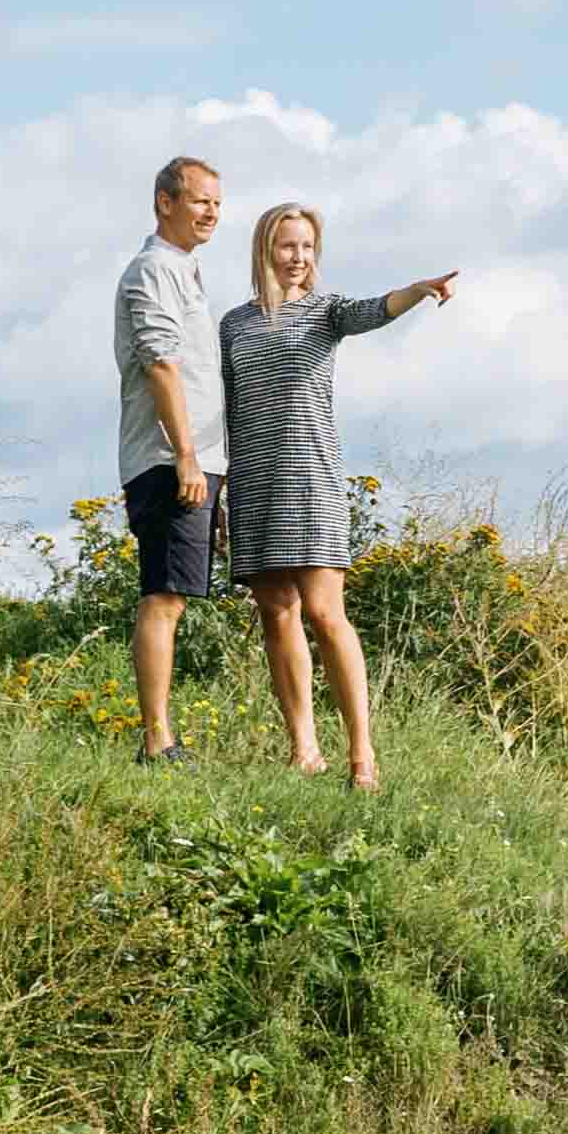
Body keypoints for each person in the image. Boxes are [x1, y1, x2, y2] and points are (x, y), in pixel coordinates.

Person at [216, 202, 455, 788]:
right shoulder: (233, 326)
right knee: (276, 613)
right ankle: (303, 748)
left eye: (307, 248)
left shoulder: (327, 313)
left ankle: (362, 755)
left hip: (312, 478)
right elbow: (224, 411)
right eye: (287, 246)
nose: (297, 258)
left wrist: (417, 291)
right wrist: (219, 490)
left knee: (325, 613)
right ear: (264, 250)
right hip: (254, 479)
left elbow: (374, 310)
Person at [110, 154, 229, 760]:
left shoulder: (185, 271)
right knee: (164, 594)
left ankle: (160, 737)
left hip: (193, 457)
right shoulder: (154, 270)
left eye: (216, 203)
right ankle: (157, 740)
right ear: (166, 202)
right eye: (200, 200)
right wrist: (186, 456)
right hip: (165, 456)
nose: (211, 212)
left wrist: (213, 471)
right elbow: (160, 363)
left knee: (175, 594)